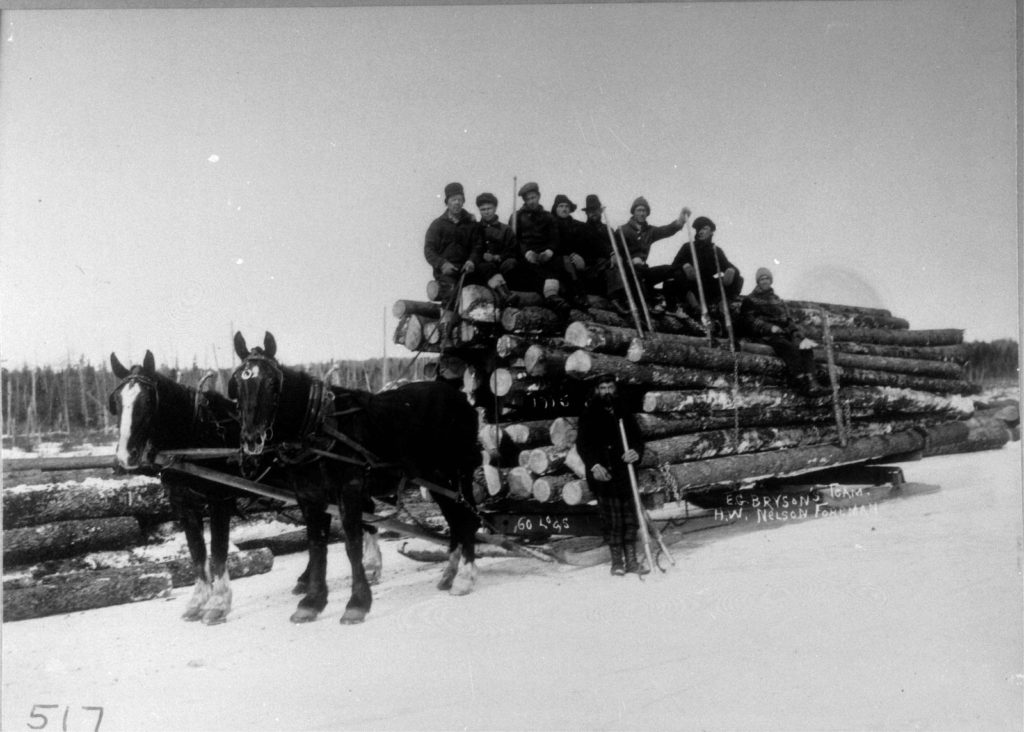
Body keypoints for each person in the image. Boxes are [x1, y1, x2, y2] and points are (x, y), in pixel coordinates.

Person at [575, 373, 648, 576]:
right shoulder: (589, 414)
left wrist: (636, 452)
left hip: (625, 474)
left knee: (629, 519)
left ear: (615, 388)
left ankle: (632, 561)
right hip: (603, 475)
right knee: (612, 520)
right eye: (603, 388)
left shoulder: (623, 412)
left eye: (610, 387)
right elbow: (583, 446)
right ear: (597, 391)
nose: (607, 391)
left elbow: (637, 440)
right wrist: (594, 465)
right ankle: (617, 562)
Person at [739, 267, 828, 396]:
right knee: (789, 348)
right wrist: (769, 328)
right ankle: (801, 383)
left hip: (783, 333)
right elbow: (749, 320)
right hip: (764, 335)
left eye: (767, 278)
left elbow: (787, 320)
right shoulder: (750, 300)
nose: (765, 281)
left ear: (771, 281)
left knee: (805, 346)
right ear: (758, 281)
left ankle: (813, 383)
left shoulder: (777, 300)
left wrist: (795, 331)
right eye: (762, 279)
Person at [610, 197, 690, 315]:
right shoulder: (623, 230)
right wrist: (629, 260)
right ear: (633, 212)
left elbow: (666, 230)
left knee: (672, 270)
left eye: (644, 211)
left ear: (647, 213)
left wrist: (680, 221)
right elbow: (615, 251)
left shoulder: (649, 231)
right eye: (639, 210)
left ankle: (671, 306)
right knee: (635, 273)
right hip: (628, 273)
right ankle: (647, 304)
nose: (642, 213)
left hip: (644, 271)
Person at [667, 215, 743, 335]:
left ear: (711, 231)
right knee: (677, 275)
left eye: (704, 228)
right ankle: (695, 307)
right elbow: (673, 266)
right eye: (699, 229)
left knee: (739, 279)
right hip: (692, 285)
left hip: (708, 285)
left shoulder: (716, 250)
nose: (701, 231)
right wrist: (685, 266)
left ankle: (723, 304)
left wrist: (731, 271)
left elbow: (728, 266)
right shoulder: (688, 247)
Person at [510, 181, 569, 314]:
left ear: (539, 196)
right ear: (524, 200)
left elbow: (555, 238)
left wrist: (549, 251)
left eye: (533, 197)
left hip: (545, 254)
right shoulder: (516, 217)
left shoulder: (548, 217)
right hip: (525, 255)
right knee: (527, 270)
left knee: (556, 262)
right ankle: (550, 297)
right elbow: (515, 240)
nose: (531, 201)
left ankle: (553, 295)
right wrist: (526, 252)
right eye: (528, 199)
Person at [423, 182, 479, 298]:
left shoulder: (471, 223)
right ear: (447, 202)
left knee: (475, 298)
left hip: (467, 270)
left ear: (463, 202)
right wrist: (442, 264)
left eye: (460, 199)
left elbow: (477, 246)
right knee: (450, 296)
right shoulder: (437, 224)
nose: (457, 203)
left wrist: (472, 260)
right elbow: (429, 250)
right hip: (446, 272)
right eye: (453, 199)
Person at [474, 192, 522, 307]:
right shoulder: (474, 229)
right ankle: (504, 295)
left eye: (489, 208)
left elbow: (512, 250)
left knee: (511, 263)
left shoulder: (505, 230)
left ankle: (509, 292)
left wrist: (497, 257)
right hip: (481, 268)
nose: (486, 212)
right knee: (484, 266)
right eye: (482, 209)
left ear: (495, 208)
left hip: (501, 267)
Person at [550, 193, 591, 309]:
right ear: (555, 209)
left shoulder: (578, 226)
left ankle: (581, 296)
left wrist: (580, 256)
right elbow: (554, 243)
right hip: (556, 258)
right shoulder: (550, 223)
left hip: (575, 260)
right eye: (561, 206)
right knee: (566, 262)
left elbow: (586, 244)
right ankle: (576, 296)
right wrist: (571, 254)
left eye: (567, 206)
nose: (564, 209)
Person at [579, 194, 615, 297]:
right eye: (590, 211)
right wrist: (611, 254)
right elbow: (594, 245)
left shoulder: (608, 229)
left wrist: (616, 255)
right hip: (592, 270)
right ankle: (615, 299)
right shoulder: (583, 229)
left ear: (600, 211)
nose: (593, 213)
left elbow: (617, 247)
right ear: (586, 213)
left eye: (595, 210)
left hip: (610, 267)